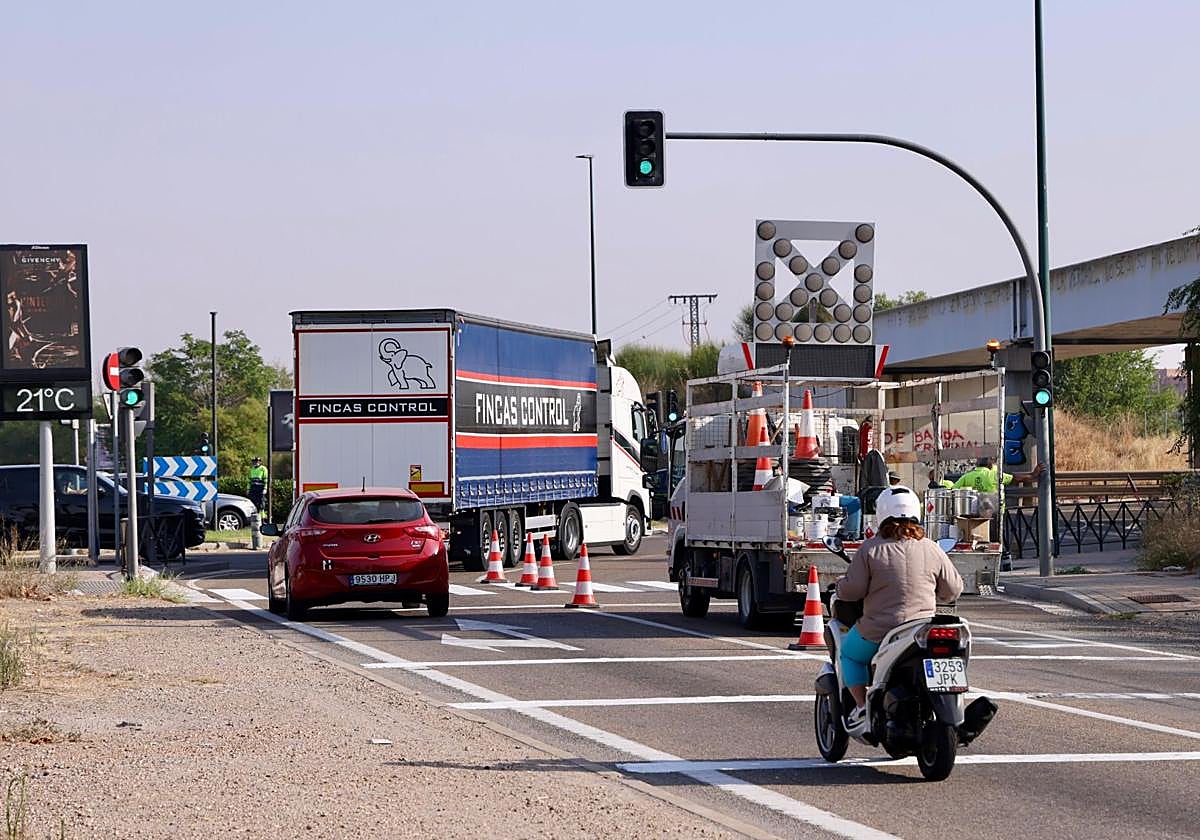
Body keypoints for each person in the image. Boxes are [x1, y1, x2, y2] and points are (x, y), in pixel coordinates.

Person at [834, 486, 964, 733]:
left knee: (849, 654)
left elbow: (854, 590)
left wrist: (840, 586)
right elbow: (953, 589)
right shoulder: (931, 547)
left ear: (882, 513)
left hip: (880, 630)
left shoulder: (871, 549)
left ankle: (862, 706)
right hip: (922, 629)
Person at [952, 456, 1043, 492]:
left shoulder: (966, 476)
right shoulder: (994, 475)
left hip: (973, 513)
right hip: (994, 511)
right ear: (990, 464)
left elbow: (953, 489)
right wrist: (1033, 475)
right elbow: (1016, 478)